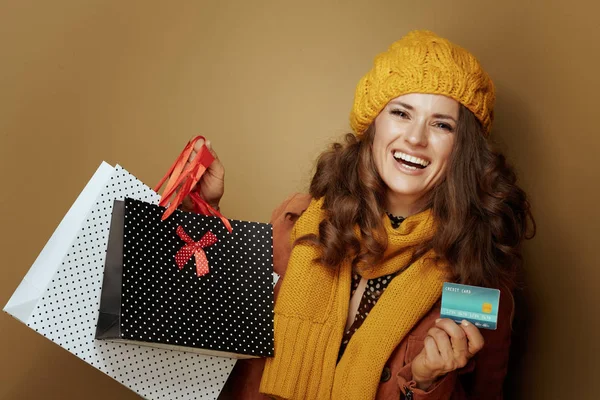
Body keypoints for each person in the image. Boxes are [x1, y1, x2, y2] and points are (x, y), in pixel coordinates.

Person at [183, 30, 534, 399]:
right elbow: (217, 317)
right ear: (373, 124)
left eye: (441, 124)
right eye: (401, 113)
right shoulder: (298, 222)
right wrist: (203, 212)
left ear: (462, 148)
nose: (416, 138)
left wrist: (427, 383)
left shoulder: (478, 280)